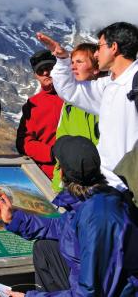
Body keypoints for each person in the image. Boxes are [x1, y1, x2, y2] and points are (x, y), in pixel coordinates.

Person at [0, 136, 138, 296]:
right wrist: (13, 218)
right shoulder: (92, 198)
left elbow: (89, 293)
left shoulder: (98, 218)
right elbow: (58, 227)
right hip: (84, 281)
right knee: (45, 248)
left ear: (62, 172)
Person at [37, 22, 138, 191]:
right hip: (110, 184)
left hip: (132, 185)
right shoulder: (108, 85)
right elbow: (70, 90)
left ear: (113, 47)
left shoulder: (133, 83)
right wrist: (62, 58)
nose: (96, 53)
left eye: (99, 47)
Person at [52, 43, 101, 192]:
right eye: (72, 62)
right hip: (67, 183)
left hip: (97, 183)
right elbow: (61, 138)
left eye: (79, 62)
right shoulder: (69, 104)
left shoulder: (105, 98)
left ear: (96, 68)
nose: (73, 67)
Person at [16, 50, 63, 179]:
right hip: (50, 174)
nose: (46, 73)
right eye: (40, 71)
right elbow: (24, 142)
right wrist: (51, 153)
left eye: (49, 68)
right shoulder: (33, 104)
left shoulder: (77, 94)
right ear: (35, 75)